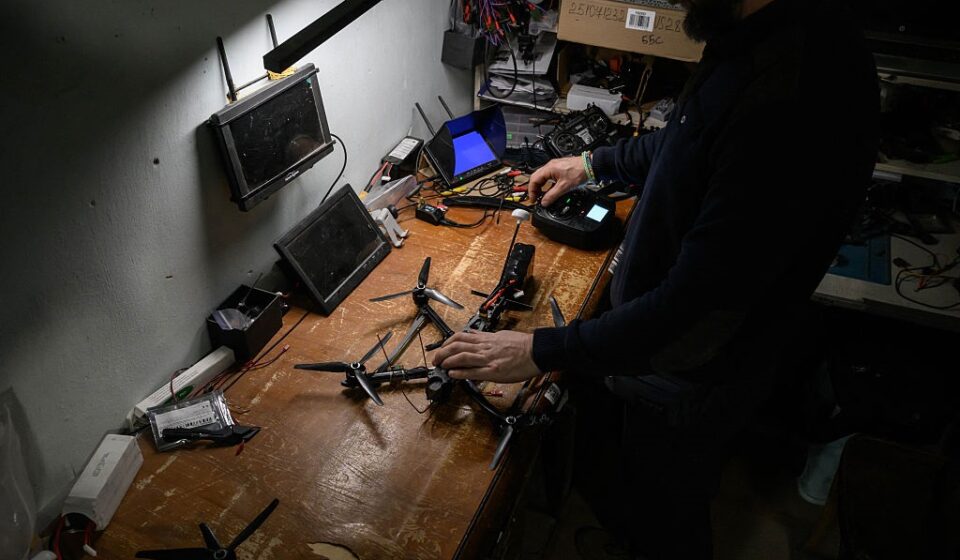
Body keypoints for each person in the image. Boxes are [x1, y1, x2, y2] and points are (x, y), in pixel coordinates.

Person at [433, 0, 879, 557]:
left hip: (693, 366)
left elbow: (693, 303)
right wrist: (593, 163)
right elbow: (690, 141)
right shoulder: (755, 37)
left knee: (668, 511)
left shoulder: (790, 94)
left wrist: (540, 349)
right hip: (670, 347)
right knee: (637, 486)